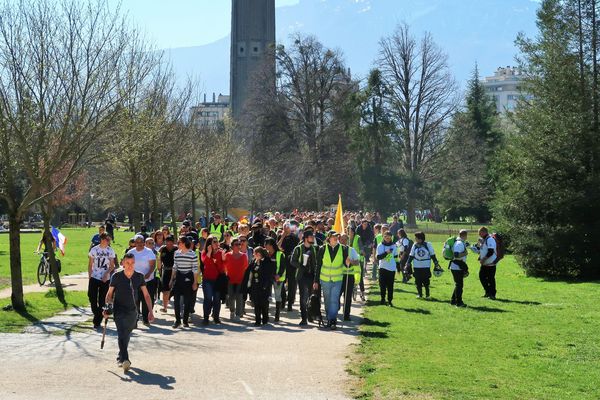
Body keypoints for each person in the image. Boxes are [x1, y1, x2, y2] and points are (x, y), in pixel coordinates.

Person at [104, 253, 154, 372]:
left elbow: (146, 295)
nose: (130, 265)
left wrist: (151, 311)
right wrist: (106, 308)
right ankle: (125, 359)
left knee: (126, 335)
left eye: (132, 263)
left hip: (133, 311)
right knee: (121, 333)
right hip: (119, 309)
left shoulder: (139, 277)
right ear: (123, 263)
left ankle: (120, 356)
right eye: (127, 263)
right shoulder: (116, 276)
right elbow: (109, 294)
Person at [315, 231, 350, 330]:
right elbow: (318, 266)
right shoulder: (322, 249)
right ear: (329, 238)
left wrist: (348, 262)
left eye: (337, 236)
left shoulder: (343, 248)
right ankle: (329, 318)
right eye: (333, 236)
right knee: (327, 301)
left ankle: (333, 320)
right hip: (325, 279)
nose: (336, 238)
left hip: (337, 279)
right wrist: (316, 281)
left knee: (334, 300)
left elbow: (346, 264)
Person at [169, 236, 199, 328]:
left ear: (183, 243)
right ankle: (177, 320)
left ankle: (185, 321)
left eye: (179, 242)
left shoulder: (192, 254)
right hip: (179, 278)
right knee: (176, 301)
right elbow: (175, 267)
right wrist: (171, 280)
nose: (177, 244)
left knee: (187, 301)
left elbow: (195, 269)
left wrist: (194, 282)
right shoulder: (176, 253)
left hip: (188, 278)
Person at [127, 235, 156, 326]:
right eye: (137, 242)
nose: (139, 244)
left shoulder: (149, 252)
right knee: (135, 300)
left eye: (141, 242)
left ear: (144, 242)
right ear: (134, 243)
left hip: (147, 280)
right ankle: (134, 320)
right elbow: (127, 264)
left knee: (146, 300)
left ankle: (145, 318)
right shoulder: (131, 252)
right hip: (134, 280)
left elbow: (152, 265)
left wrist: (148, 274)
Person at [88, 233, 115, 328]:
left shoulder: (110, 250)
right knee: (91, 297)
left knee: (102, 300)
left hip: (105, 279)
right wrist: (90, 276)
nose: (108, 242)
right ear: (102, 239)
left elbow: (112, 266)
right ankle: (97, 314)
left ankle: (97, 321)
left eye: (109, 240)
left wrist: (106, 274)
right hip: (94, 277)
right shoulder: (94, 249)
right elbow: (90, 264)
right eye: (107, 239)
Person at [290, 230, 318, 326]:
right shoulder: (298, 248)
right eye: (311, 237)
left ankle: (310, 315)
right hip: (302, 276)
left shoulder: (314, 249)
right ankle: (303, 318)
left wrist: (316, 276)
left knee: (311, 297)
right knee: (303, 298)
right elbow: (292, 261)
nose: (313, 238)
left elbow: (315, 264)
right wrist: (301, 265)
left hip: (311, 276)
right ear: (306, 238)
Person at [407, 232, 441, 299]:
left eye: (416, 238)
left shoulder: (428, 245)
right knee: (417, 281)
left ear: (420, 239)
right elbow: (411, 255)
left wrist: (436, 263)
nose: (415, 239)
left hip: (426, 266)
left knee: (426, 281)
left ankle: (427, 295)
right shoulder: (415, 245)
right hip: (417, 266)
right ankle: (420, 294)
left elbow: (432, 255)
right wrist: (408, 263)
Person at [201, 236, 225, 325]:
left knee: (217, 299)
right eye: (214, 242)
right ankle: (206, 317)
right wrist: (210, 252)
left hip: (218, 280)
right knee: (208, 298)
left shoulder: (221, 252)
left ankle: (216, 317)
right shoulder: (204, 252)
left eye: (217, 241)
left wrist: (222, 257)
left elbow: (223, 268)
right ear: (209, 243)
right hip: (207, 280)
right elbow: (205, 262)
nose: (216, 243)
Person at [223, 238, 249, 321]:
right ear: (232, 246)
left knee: (239, 297)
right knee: (230, 297)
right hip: (230, 279)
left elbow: (246, 268)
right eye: (236, 244)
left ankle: (238, 314)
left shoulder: (244, 256)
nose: (239, 246)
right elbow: (224, 266)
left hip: (240, 280)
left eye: (239, 244)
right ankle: (232, 311)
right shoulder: (227, 255)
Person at [249, 247, 275, 326]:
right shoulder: (254, 261)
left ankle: (265, 319)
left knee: (264, 304)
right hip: (255, 286)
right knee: (256, 304)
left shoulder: (266, 261)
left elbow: (268, 275)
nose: (254, 255)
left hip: (264, 286)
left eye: (255, 253)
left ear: (260, 254)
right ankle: (257, 320)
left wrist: (265, 285)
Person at [278, 222, 300, 311]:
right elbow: (277, 247)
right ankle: (283, 300)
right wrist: (282, 237)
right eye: (284, 227)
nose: (286, 229)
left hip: (292, 264)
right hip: (282, 264)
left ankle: (290, 303)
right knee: (281, 283)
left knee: (292, 284)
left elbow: (297, 250)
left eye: (287, 227)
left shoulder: (294, 237)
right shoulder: (280, 236)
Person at [339, 233, 361, 320]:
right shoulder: (337, 249)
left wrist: (350, 261)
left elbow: (357, 262)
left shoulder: (351, 250)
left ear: (348, 241)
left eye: (345, 240)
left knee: (347, 297)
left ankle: (346, 314)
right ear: (339, 240)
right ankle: (336, 308)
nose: (343, 241)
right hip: (339, 276)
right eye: (342, 239)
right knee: (337, 296)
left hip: (349, 276)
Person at [265, 238, 286, 322]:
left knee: (277, 296)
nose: (265, 246)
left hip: (278, 279)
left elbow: (283, 266)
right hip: (268, 278)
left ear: (271, 245)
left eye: (267, 244)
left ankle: (277, 316)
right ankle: (266, 315)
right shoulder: (266, 254)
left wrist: (279, 275)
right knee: (267, 296)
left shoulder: (280, 254)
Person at [376, 231, 399, 306]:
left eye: (389, 238)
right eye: (386, 237)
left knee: (390, 286)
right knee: (382, 285)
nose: (388, 239)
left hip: (391, 268)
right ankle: (382, 299)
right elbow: (378, 257)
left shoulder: (394, 246)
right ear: (383, 237)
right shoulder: (380, 246)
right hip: (382, 268)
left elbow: (395, 256)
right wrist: (386, 252)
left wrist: (398, 266)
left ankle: (389, 300)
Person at [477, 226, 498, 300]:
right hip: (485, 263)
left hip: (490, 263)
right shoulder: (484, 239)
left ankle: (492, 294)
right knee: (481, 277)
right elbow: (484, 249)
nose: (479, 234)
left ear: (484, 232)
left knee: (491, 279)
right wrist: (480, 256)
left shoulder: (490, 239)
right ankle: (487, 292)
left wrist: (483, 259)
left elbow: (490, 252)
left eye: (480, 232)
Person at [450, 229, 469, 307]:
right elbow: (456, 255)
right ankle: (459, 303)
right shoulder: (459, 243)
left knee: (458, 284)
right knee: (459, 285)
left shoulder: (459, 242)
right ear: (464, 235)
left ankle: (453, 300)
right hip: (457, 267)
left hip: (457, 266)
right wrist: (465, 253)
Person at [157, 235, 176, 313]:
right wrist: (159, 271)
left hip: (175, 271)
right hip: (165, 271)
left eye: (170, 242)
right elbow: (159, 260)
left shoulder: (176, 249)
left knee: (175, 291)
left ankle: (178, 309)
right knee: (165, 291)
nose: (169, 244)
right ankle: (165, 307)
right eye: (167, 242)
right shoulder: (162, 249)